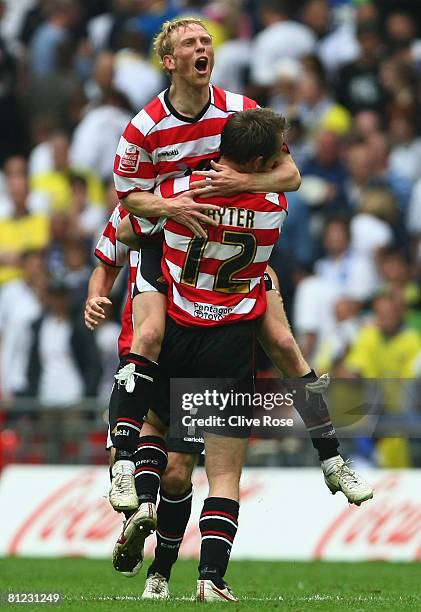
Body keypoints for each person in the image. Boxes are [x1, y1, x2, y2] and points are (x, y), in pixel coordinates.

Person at [108, 17, 372, 519]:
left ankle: (333, 457)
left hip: (229, 246)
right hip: (169, 248)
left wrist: (228, 187)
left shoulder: (241, 110)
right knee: (147, 340)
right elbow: (128, 203)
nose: (203, 47)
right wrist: (175, 208)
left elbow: (290, 173)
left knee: (286, 343)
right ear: (170, 61)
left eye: (207, 41)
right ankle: (122, 463)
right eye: (191, 43)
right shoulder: (143, 128)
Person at [115, 108, 373, 602]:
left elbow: (129, 230)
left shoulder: (182, 189)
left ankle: (137, 495)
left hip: (176, 329)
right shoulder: (275, 204)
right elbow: (284, 182)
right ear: (260, 159)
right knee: (226, 471)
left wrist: (161, 217)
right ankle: (211, 577)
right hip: (231, 337)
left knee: (163, 444)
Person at [85, 204, 203, 599]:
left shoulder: (208, 196)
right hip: (143, 345)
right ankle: (147, 536)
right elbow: (106, 259)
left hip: (198, 347)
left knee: (176, 471)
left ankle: (156, 557)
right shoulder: (133, 207)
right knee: (139, 440)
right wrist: (95, 297)